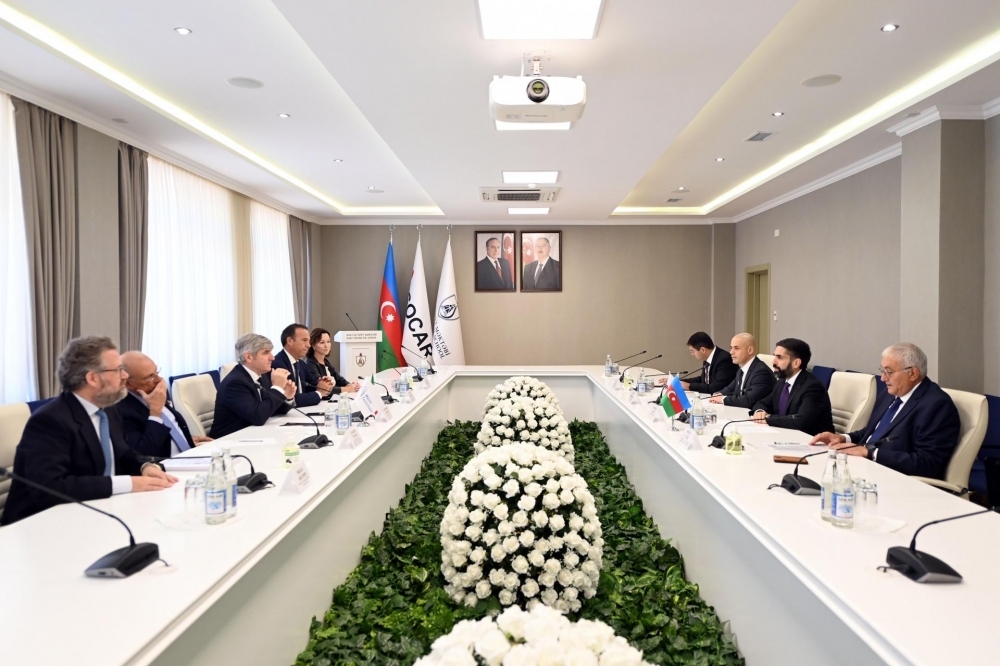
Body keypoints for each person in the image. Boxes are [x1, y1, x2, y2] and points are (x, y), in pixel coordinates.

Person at [1, 337, 178, 526]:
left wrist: (144, 466)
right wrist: (129, 483)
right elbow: (51, 487)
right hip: (41, 524)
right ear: (92, 378)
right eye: (118, 370)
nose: (125, 376)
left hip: (100, 510)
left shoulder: (109, 408)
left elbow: (123, 452)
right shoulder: (50, 421)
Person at [809, 343, 960, 479]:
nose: (882, 378)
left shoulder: (936, 405)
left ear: (913, 373)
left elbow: (928, 463)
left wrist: (871, 453)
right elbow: (872, 432)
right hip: (863, 467)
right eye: (882, 371)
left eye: (889, 372)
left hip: (894, 479)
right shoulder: (890, 394)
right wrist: (843, 438)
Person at [118, 351, 212, 457]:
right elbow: (143, 454)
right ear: (128, 383)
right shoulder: (121, 410)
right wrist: (155, 412)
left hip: (190, 454)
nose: (159, 380)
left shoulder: (153, 391)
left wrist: (182, 438)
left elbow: (170, 425)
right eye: (149, 377)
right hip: (165, 464)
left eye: (156, 372)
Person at [210, 333, 296, 438]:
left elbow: (272, 409)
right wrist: (277, 388)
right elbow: (258, 417)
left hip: (253, 434)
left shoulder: (262, 375)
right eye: (266, 353)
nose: (272, 357)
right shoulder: (235, 383)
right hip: (230, 440)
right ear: (248, 357)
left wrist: (287, 396)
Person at [751, 338, 834, 436]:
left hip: (811, 440)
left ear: (796, 363)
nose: (774, 362)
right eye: (774, 356)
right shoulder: (782, 382)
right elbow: (762, 403)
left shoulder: (813, 387)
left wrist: (768, 418)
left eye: (779, 357)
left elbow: (801, 421)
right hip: (786, 435)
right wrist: (760, 411)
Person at [271, 323, 333, 407]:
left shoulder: (301, 364)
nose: (308, 345)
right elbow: (289, 398)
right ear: (290, 341)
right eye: (304, 340)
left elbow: (313, 386)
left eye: (308, 341)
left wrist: (324, 385)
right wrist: (320, 393)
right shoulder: (277, 364)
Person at [709, 333, 775, 408]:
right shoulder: (742, 368)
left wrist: (723, 399)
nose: (731, 352)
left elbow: (749, 400)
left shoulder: (761, 372)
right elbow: (730, 388)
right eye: (731, 348)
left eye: (736, 348)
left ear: (750, 350)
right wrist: (719, 394)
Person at [305, 327, 359, 395]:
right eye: (322, 342)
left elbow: (338, 379)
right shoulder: (310, 364)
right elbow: (324, 388)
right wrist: (348, 389)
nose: (326, 346)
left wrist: (350, 385)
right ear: (313, 345)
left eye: (328, 342)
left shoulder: (325, 362)